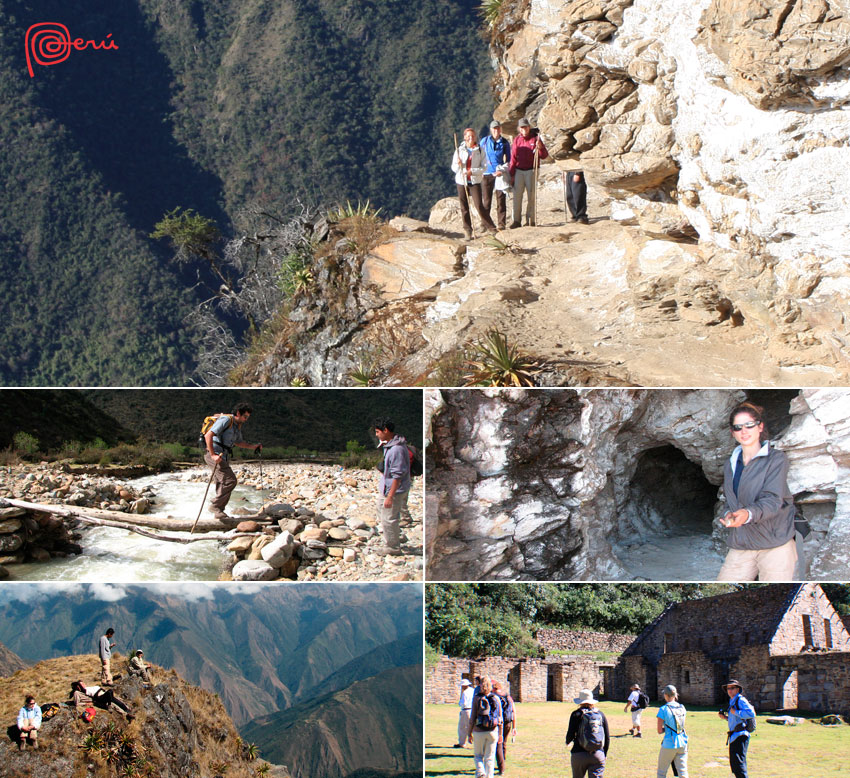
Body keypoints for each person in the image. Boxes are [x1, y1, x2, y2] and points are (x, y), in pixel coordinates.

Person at [717, 401, 797, 581]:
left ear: (760, 427)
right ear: (732, 432)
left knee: (776, 594)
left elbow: (773, 500)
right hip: (742, 542)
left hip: (775, 544)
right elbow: (730, 501)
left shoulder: (776, 459)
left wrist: (747, 514)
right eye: (738, 427)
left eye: (749, 425)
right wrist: (730, 514)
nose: (743, 431)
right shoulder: (730, 465)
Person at [204, 402, 262, 520]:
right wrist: (213, 455)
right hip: (215, 455)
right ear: (238, 413)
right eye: (245, 417)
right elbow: (208, 435)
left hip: (223, 456)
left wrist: (254, 447)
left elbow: (238, 442)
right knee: (230, 481)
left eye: (248, 418)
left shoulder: (237, 426)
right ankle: (215, 506)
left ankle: (218, 513)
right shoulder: (226, 420)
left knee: (222, 483)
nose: (246, 419)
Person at [373, 417, 412, 556]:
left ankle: (393, 547)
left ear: (386, 430)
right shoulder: (390, 444)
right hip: (387, 488)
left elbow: (397, 476)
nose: (376, 434)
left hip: (393, 490)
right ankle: (396, 535)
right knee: (381, 510)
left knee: (388, 518)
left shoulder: (396, 449)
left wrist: (390, 496)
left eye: (378, 431)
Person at [452, 128, 498, 239]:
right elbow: (453, 168)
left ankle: (491, 228)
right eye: (468, 136)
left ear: (475, 137)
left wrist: (472, 171)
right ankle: (467, 230)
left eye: (472, 136)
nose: (470, 138)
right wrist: (458, 164)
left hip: (474, 181)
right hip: (461, 181)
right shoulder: (459, 150)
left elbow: (484, 167)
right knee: (464, 206)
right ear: (464, 137)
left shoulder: (480, 150)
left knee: (479, 205)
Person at [509, 118, 548, 228]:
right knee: (517, 196)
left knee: (531, 196)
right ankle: (516, 221)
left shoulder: (536, 139)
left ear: (529, 127)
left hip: (532, 170)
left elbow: (544, 155)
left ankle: (530, 220)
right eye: (522, 127)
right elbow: (513, 158)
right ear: (519, 129)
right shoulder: (517, 140)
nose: (524, 129)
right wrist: (511, 174)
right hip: (519, 171)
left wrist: (540, 148)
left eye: (525, 127)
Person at [564, 689, 609, 778]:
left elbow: (570, 734)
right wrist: (605, 753)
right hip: (597, 753)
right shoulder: (600, 714)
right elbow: (607, 737)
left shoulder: (576, 714)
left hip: (579, 753)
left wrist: (567, 742)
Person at [466, 676, 502, 778]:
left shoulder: (477, 698)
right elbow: (500, 719)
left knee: (478, 755)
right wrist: (500, 734)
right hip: (493, 731)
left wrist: (469, 733)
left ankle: (481, 772)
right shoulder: (496, 698)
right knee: (489, 758)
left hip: (478, 731)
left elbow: (472, 717)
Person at [718, 679, 756, 778]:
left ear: (738, 689)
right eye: (728, 688)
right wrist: (725, 717)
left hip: (740, 736)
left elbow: (751, 713)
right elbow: (736, 720)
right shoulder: (732, 701)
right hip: (735, 736)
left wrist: (736, 712)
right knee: (736, 765)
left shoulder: (741, 700)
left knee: (739, 765)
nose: (729, 690)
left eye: (732, 688)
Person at [480, 121, 512, 230]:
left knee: (501, 200)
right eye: (494, 128)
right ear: (490, 129)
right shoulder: (484, 141)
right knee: (486, 201)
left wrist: (503, 170)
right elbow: (477, 155)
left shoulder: (504, 143)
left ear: (500, 129)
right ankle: (484, 224)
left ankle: (501, 224)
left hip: (499, 174)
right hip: (487, 174)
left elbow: (509, 160)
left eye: (498, 128)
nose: (496, 131)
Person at [656, 684, 688, 778]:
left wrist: (666, 729)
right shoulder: (682, 707)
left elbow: (659, 730)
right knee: (682, 772)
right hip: (682, 742)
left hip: (669, 743)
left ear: (666, 695)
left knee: (661, 772)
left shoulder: (663, 709)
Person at [492, 679, 515, 775]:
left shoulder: (494, 697)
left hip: (499, 723)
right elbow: (513, 711)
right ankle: (503, 761)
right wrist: (514, 726)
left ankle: (501, 767)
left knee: (498, 744)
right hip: (508, 722)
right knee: (504, 743)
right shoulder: (508, 697)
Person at [455, 678, 474, 748]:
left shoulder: (465, 692)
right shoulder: (473, 690)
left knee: (462, 727)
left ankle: (462, 743)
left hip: (466, 710)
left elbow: (463, 703)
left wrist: (460, 703)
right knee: (472, 726)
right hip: (472, 710)